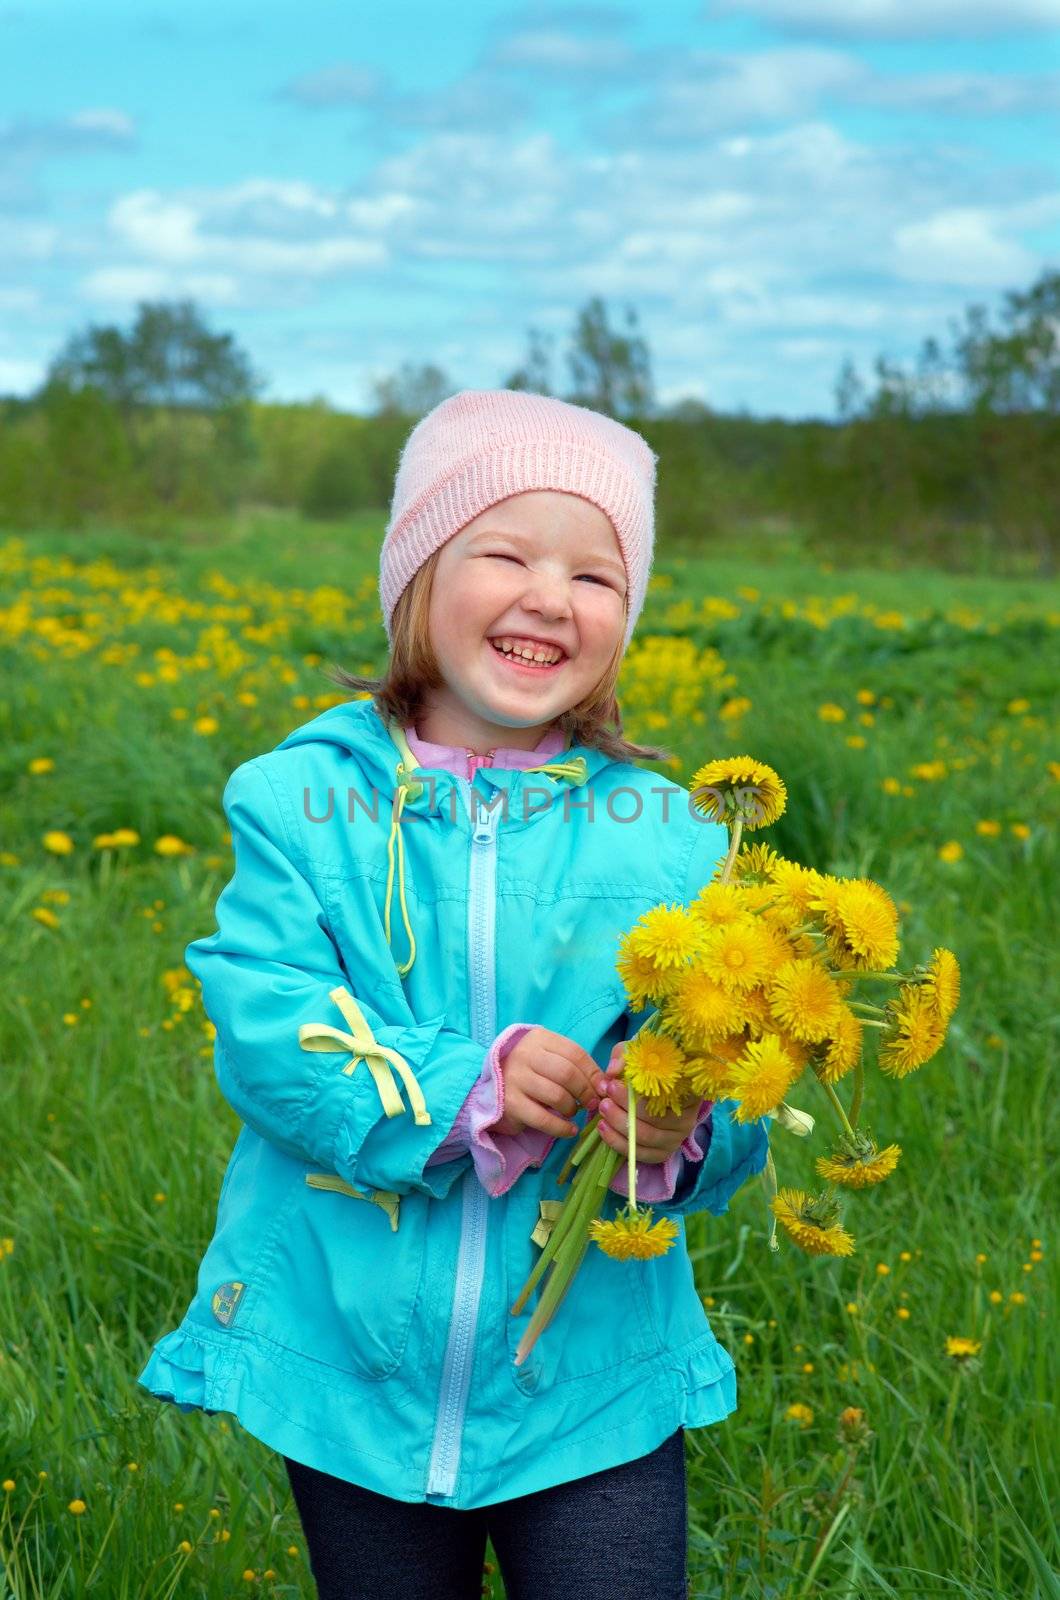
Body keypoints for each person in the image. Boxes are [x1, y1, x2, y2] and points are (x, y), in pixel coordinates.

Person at [137, 389, 771, 1599]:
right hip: (353, 1367)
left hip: (595, 1380)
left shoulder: (673, 841)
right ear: (417, 577)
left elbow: (736, 1073)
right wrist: (466, 1088)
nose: (550, 595)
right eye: (505, 551)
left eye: (597, 575)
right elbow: (272, 1028)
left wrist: (675, 1123)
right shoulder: (298, 802)